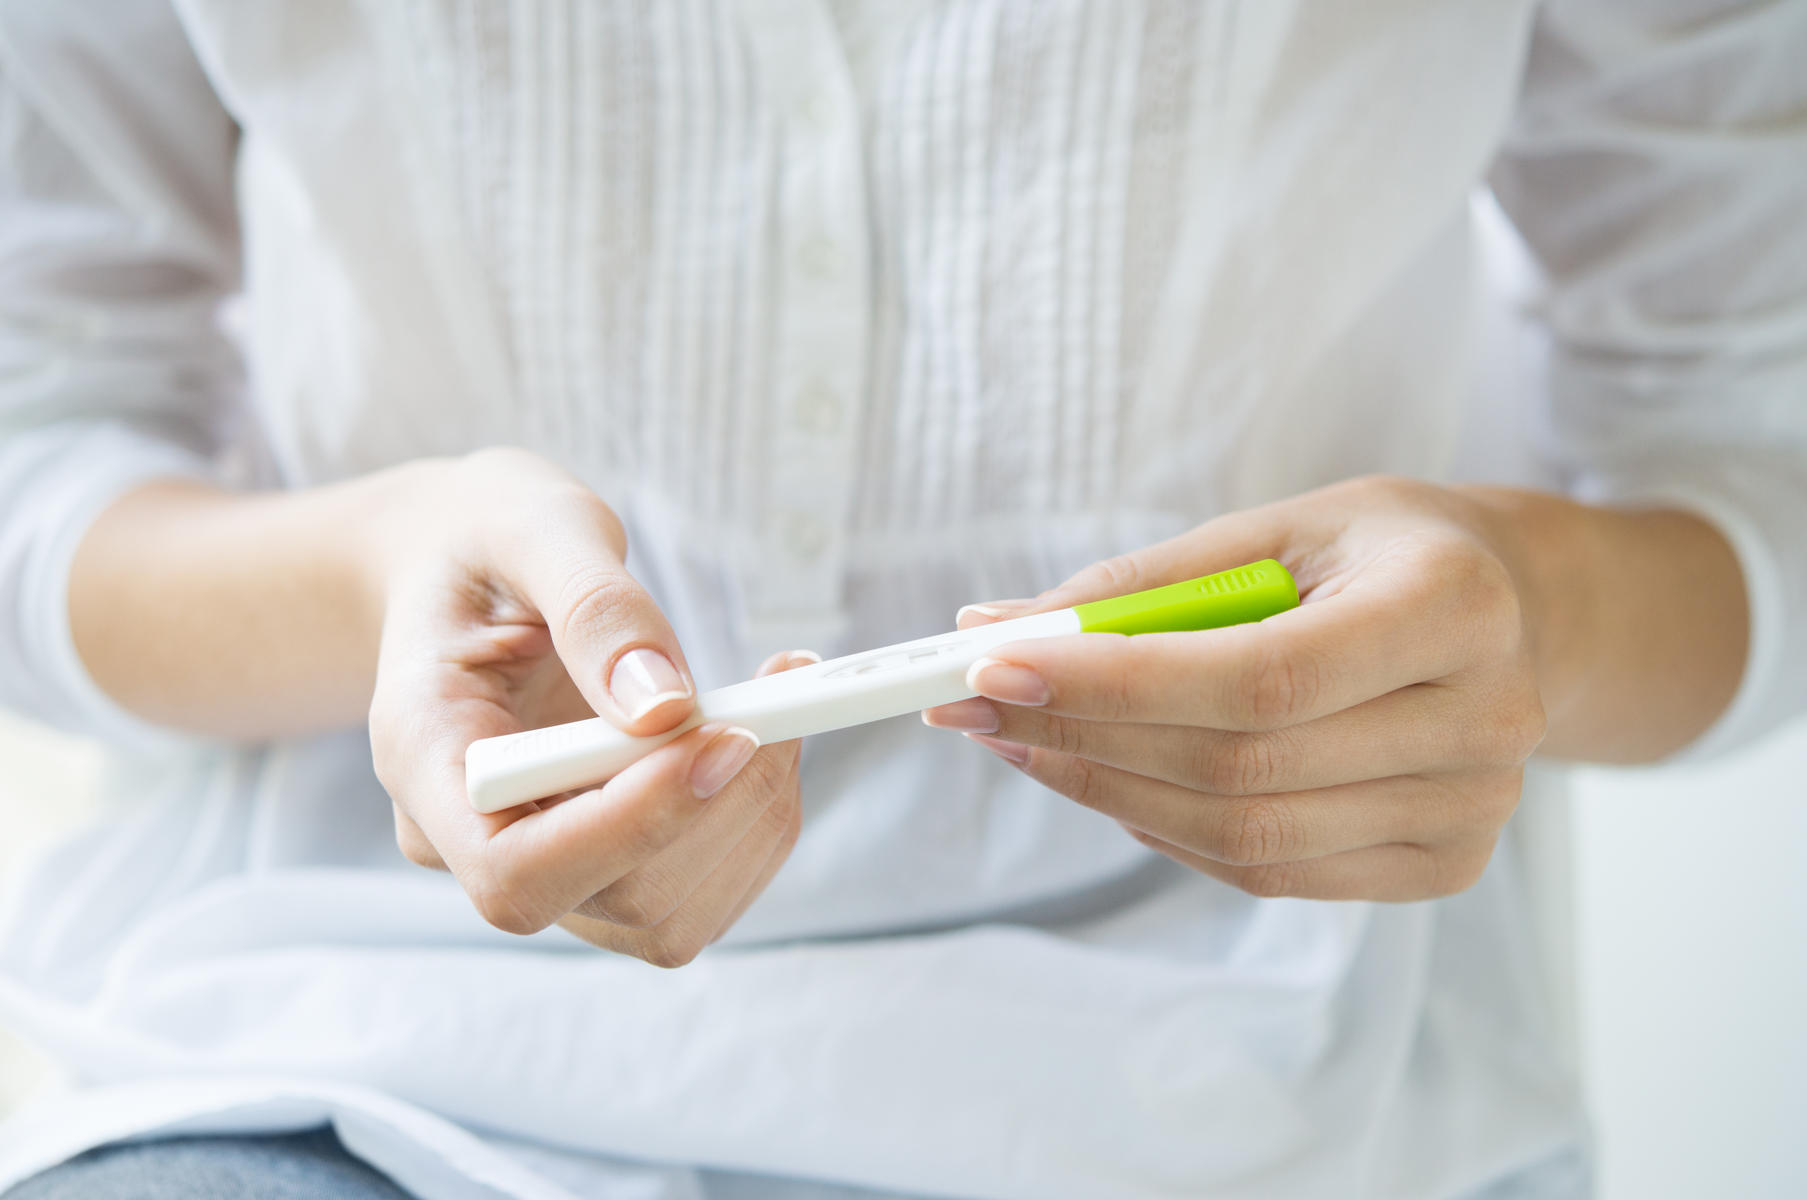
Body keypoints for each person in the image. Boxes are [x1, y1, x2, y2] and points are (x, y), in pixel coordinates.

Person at [0, 1, 1802, 1197]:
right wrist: (386, 584)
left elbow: (1752, 435)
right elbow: (42, 425)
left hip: (1278, 1089)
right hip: (351, 1049)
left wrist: (1536, 619)